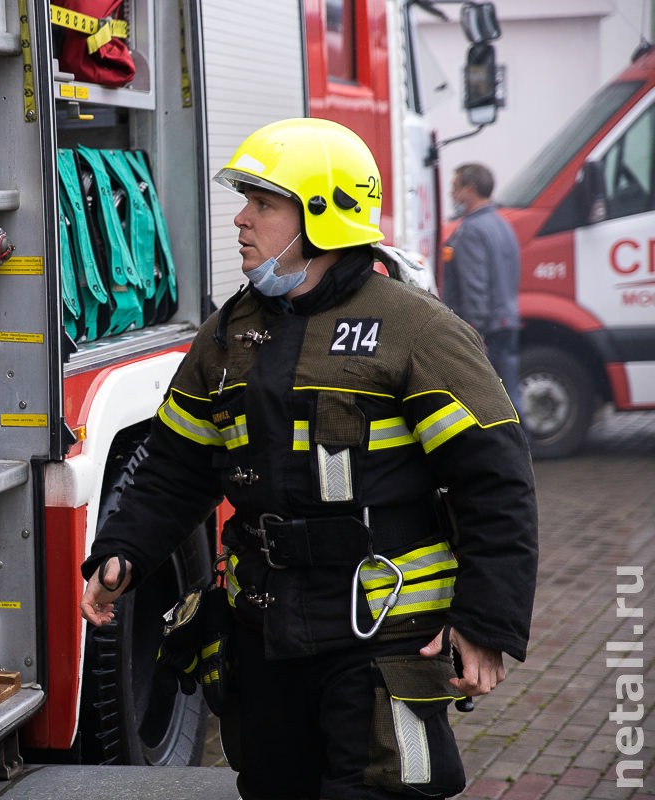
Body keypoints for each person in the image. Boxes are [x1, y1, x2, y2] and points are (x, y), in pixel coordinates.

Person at [79, 118, 538, 799]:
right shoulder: (229, 334)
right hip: (263, 635)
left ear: (321, 216)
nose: (241, 219)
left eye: (263, 204)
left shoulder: (416, 330)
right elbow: (176, 464)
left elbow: (496, 483)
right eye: (246, 201)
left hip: (381, 635)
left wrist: (486, 621)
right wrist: (123, 551)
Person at [442, 163, 524, 419]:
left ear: (470, 189)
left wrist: (475, 333)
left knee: (492, 401)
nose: (452, 194)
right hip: (505, 321)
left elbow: (475, 286)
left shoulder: (471, 230)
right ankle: (522, 438)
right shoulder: (502, 224)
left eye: (455, 187)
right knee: (509, 393)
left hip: (487, 329)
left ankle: (515, 441)